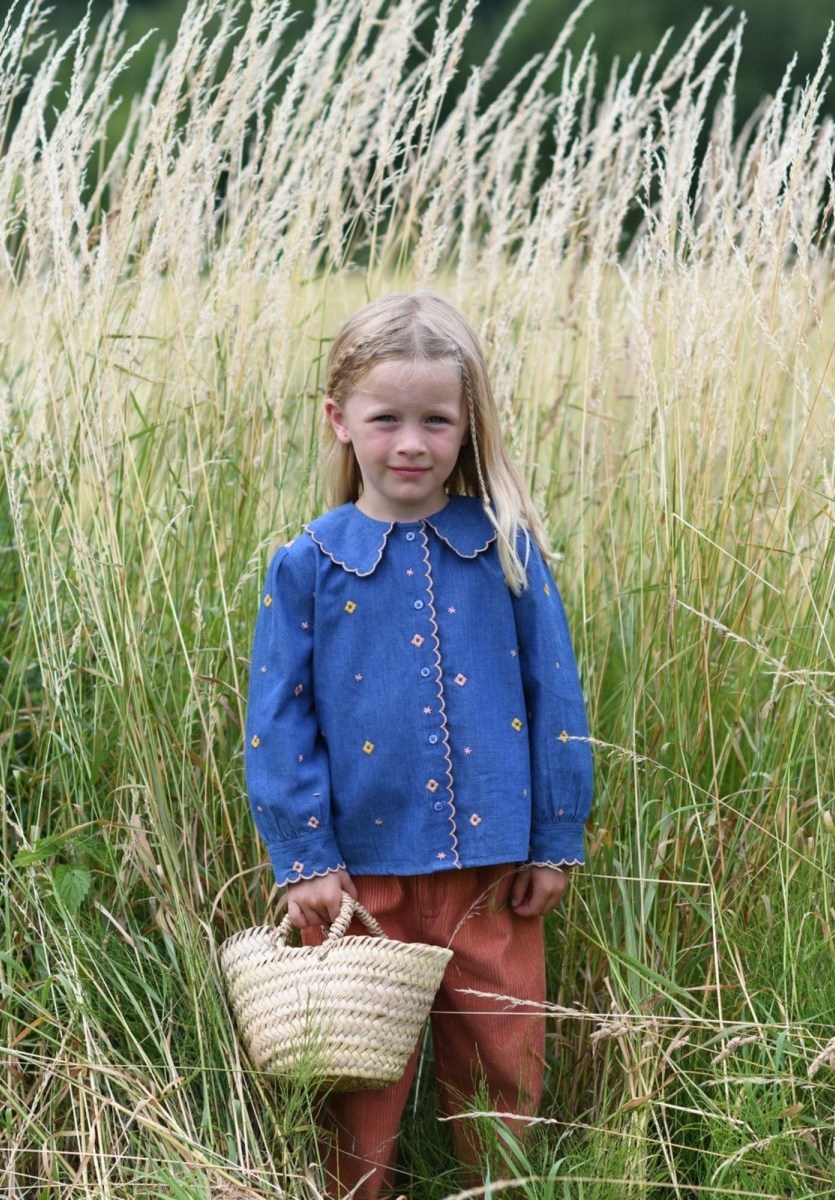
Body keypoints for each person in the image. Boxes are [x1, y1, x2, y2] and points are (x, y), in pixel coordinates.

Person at [244, 291, 593, 1198]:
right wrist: (304, 859)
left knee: (503, 1067)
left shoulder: (507, 548)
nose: (411, 442)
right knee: (360, 1085)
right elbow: (277, 723)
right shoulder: (311, 563)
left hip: (495, 878)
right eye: (386, 418)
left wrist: (557, 838)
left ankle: (500, 1191)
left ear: (467, 423)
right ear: (340, 422)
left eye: (436, 420)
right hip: (362, 886)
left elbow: (555, 696)